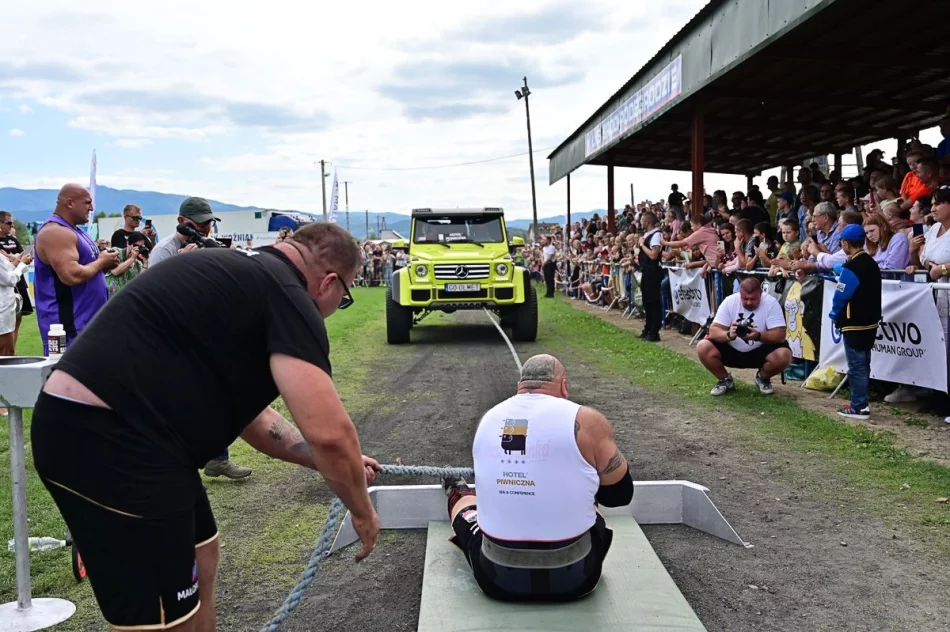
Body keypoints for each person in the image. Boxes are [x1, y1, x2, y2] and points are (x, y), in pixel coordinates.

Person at [30, 222, 382, 631]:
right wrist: (362, 511)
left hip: (136, 439)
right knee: (166, 619)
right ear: (330, 282)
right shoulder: (288, 294)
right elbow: (330, 434)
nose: (337, 305)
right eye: (345, 297)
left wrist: (330, 462)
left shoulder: (242, 275)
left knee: (203, 553)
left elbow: (256, 419)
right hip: (109, 441)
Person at [441, 354, 632, 602]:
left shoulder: (489, 418)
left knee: (467, 506)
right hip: (577, 577)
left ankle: (456, 489)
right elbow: (619, 496)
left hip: (497, 579)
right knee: (588, 500)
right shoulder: (585, 420)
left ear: (520, 387)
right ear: (564, 386)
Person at [33, 183, 118, 354]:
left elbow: (88, 270)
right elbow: (71, 275)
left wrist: (106, 264)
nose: (91, 208)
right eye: (87, 203)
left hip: (86, 327)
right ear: (70, 203)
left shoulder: (75, 231)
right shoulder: (56, 232)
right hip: (68, 331)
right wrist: (101, 262)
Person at [696, 277, 792, 396]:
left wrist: (758, 336)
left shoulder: (771, 303)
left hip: (760, 351)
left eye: (753, 299)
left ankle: (763, 378)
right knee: (703, 346)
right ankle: (725, 380)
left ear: (761, 294)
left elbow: (780, 335)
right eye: (745, 299)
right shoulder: (729, 301)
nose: (749, 302)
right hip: (731, 350)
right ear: (739, 294)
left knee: (784, 354)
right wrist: (728, 335)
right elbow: (713, 331)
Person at [829, 224, 882, 421]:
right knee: (864, 363)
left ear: (845, 243)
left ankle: (859, 407)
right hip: (871, 322)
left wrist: (834, 314)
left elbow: (841, 295)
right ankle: (861, 403)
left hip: (854, 323)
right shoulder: (871, 262)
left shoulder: (852, 267)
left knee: (856, 366)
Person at [148, 197, 220, 267]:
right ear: (181, 221)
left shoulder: (210, 245)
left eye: (209, 222)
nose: (206, 227)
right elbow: (156, 275)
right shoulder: (163, 250)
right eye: (201, 222)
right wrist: (181, 263)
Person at [0, 210, 35, 351]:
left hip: (7, 300)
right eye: (8, 223)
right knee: (6, 351)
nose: (11, 226)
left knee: (17, 317)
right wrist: (21, 264)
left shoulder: (13, 240)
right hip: (3, 306)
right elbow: (9, 279)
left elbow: (8, 265)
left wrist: (18, 261)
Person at [637, 211, 663, 342]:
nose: (640, 223)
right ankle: (647, 328)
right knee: (647, 301)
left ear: (646, 222)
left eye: (642, 220)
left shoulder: (656, 235)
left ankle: (654, 331)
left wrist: (642, 245)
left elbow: (653, 255)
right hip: (646, 271)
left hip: (653, 271)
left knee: (653, 301)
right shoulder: (647, 235)